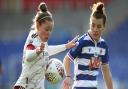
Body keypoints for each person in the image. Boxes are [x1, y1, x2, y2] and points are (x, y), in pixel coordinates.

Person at [13, 2, 79, 89]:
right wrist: (37, 51)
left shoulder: (43, 41)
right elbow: (28, 56)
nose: (49, 33)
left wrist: (66, 46)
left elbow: (48, 50)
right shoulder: (33, 37)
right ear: (38, 25)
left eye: (50, 30)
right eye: (47, 29)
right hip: (24, 86)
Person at [63, 2, 113, 89]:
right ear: (90, 24)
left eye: (98, 26)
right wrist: (68, 77)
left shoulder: (104, 46)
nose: (95, 29)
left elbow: (106, 72)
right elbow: (67, 59)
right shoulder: (82, 42)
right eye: (93, 25)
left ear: (104, 27)